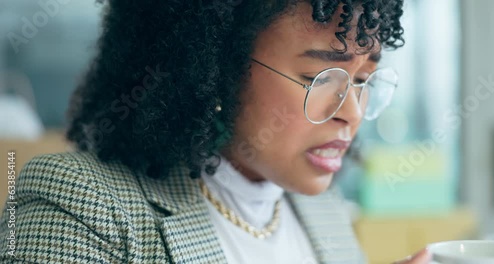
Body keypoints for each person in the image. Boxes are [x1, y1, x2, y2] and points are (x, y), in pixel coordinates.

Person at [0, 0, 432, 263]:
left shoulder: (326, 213)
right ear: (216, 70)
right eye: (320, 77)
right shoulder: (78, 205)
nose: (352, 114)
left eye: (361, 81)